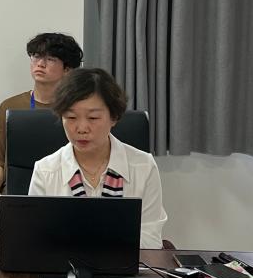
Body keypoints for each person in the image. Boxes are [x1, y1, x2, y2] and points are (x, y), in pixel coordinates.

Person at [28, 68, 167, 249]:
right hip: (63, 265)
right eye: (71, 117)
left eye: (93, 118)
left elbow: (151, 240)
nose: (81, 128)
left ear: (114, 117)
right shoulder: (45, 171)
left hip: (124, 265)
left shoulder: (144, 166)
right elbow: (37, 240)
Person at [0, 32, 83, 242]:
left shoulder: (77, 110)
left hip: (61, 195)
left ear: (67, 69)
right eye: (36, 56)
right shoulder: (10, 106)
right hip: (12, 196)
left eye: (50, 59)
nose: (40, 64)